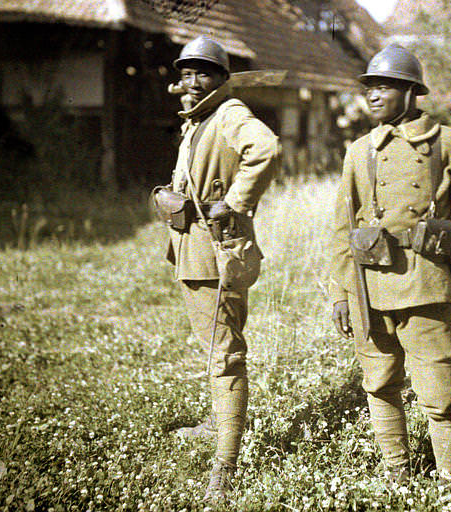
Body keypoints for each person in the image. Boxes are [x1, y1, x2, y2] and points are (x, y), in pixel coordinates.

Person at [328, 44, 451, 485]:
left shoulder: (450, 145)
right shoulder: (359, 151)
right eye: (370, 87)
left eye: (386, 85)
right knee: (379, 384)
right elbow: (342, 227)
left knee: (439, 392)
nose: (374, 95)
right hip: (369, 287)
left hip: (427, 284)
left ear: (412, 91)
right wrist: (341, 292)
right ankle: (398, 476)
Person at [165, 35, 280, 501]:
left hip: (215, 252)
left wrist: (233, 202)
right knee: (218, 344)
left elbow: (266, 148)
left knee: (224, 354)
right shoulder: (199, 117)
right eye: (186, 73)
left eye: (203, 73)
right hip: (198, 251)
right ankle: (219, 422)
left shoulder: (229, 113)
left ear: (221, 79)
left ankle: (224, 467)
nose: (191, 82)